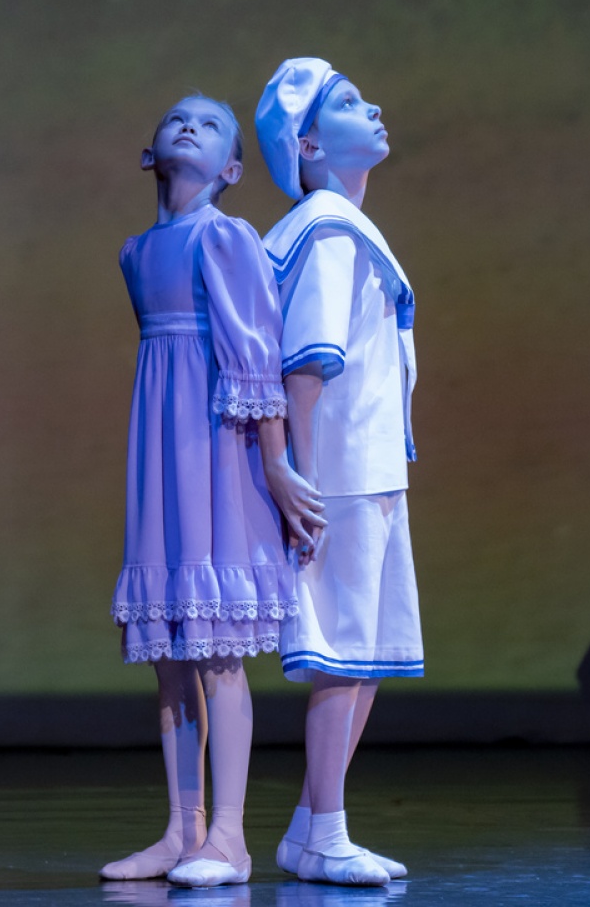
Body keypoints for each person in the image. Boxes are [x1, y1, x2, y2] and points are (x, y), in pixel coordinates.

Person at [103, 94, 324, 888]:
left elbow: (254, 358)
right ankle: (181, 829)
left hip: (218, 451)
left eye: (208, 124)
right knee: (170, 654)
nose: (188, 126)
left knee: (218, 651)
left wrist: (276, 465)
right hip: (162, 453)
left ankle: (228, 835)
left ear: (231, 168)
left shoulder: (224, 238)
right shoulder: (136, 252)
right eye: (175, 118)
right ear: (149, 153)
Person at [254, 59, 424, 887]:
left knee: (368, 656)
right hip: (342, 473)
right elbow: (306, 366)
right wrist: (301, 478)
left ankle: (311, 827)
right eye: (351, 102)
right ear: (311, 145)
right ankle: (325, 833)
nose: (376, 106)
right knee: (342, 656)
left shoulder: (344, 226)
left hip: (371, 468)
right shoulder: (326, 228)